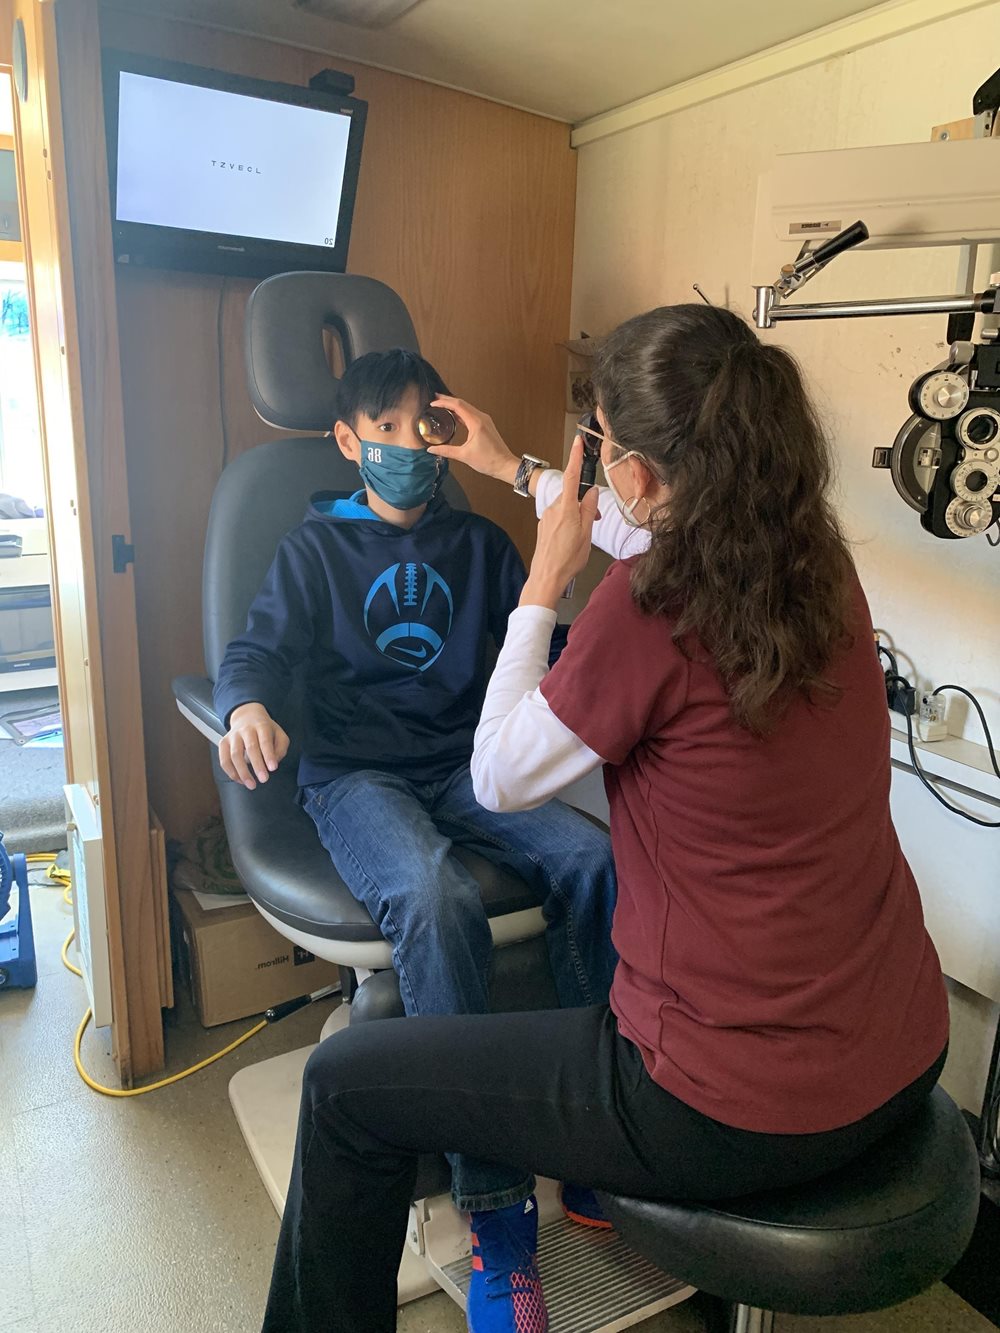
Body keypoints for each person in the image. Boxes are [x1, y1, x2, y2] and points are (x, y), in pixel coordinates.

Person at [259, 305, 949, 1333]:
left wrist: (542, 585)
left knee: (346, 1083)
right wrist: (512, 464)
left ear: (632, 471)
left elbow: (495, 773)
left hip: (722, 1104)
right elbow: (624, 523)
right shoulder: (815, 562)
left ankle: (527, 1201)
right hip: (901, 1050)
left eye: (597, 446)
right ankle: (576, 1175)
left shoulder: (646, 605)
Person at [212, 348, 619, 1315]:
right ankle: (497, 1215)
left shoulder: (478, 546)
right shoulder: (313, 549)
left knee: (596, 860)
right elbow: (254, 649)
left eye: (419, 427)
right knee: (434, 898)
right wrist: (246, 709)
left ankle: (599, 1131)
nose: (406, 447)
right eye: (383, 430)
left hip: (466, 761)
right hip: (356, 776)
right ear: (349, 443)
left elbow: (543, 646)